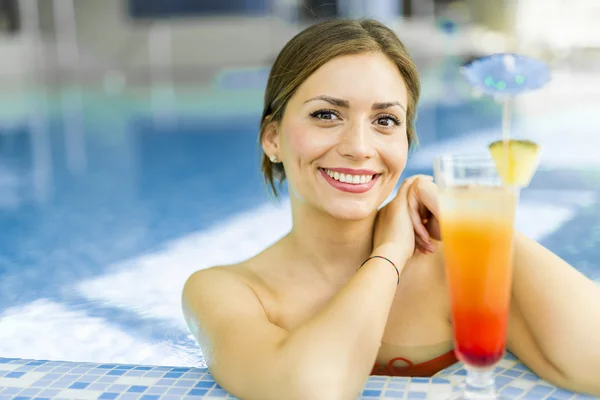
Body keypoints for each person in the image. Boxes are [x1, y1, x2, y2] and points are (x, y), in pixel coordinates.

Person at [181, 18, 600, 400]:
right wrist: (390, 254)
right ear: (272, 138)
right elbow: (312, 391)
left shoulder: (456, 267)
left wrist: (477, 224)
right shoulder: (228, 291)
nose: (359, 148)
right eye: (326, 114)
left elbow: (592, 364)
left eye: (385, 121)